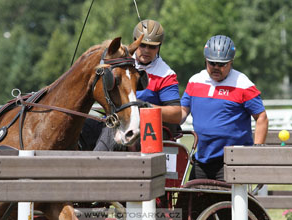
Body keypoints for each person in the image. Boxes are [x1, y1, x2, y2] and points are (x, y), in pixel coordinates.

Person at [78, 19, 182, 151]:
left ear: (159, 47)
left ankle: (95, 167)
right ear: (135, 42)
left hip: (141, 129)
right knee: (79, 126)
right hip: (112, 121)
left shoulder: (166, 74)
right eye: (142, 45)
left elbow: (176, 114)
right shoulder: (122, 63)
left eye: (152, 47)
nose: (146, 50)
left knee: (110, 136)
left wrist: (145, 107)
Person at [180, 35, 268, 181]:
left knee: (231, 204)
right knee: (190, 202)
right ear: (205, 60)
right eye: (212, 63)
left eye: (222, 64)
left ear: (231, 62)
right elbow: (182, 112)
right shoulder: (195, 81)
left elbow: (262, 117)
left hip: (232, 162)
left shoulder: (243, 84)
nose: (216, 67)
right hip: (201, 161)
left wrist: (256, 152)